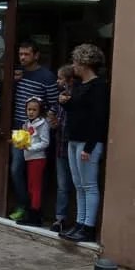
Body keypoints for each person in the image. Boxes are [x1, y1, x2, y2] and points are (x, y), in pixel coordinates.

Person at [59, 44, 109, 243]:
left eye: (75, 62)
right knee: (78, 185)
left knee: (89, 185)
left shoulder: (98, 87)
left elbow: (99, 118)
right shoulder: (80, 85)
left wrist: (89, 147)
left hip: (89, 142)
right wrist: (65, 102)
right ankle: (79, 223)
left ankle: (88, 226)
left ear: (85, 63)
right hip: (73, 138)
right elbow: (77, 109)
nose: (74, 66)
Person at [10, 41, 57, 220]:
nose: (22, 57)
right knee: (16, 169)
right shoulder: (17, 74)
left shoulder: (46, 77)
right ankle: (23, 205)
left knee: (34, 174)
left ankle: (33, 209)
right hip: (18, 129)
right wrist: (13, 82)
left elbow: (54, 102)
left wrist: (44, 121)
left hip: (37, 131)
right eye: (20, 54)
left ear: (36, 55)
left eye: (26, 54)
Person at [14, 96, 50, 227]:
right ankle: (31, 213)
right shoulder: (27, 123)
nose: (31, 112)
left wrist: (30, 148)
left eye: (34, 110)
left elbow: (45, 142)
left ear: (40, 111)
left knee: (35, 188)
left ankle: (35, 216)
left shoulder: (43, 124)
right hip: (29, 158)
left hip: (38, 158)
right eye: (29, 109)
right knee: (30, 187)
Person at [48, 65, 75, 234]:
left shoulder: (76, 96)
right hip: (60, 147)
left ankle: (80, 221)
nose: (57, 81)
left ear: (69, 80)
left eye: (60, 78)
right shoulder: (60, 97)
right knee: (62, 185)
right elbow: (51, 112)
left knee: (79, 186)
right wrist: (53, 120)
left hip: (74, 146)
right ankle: (60, 218)